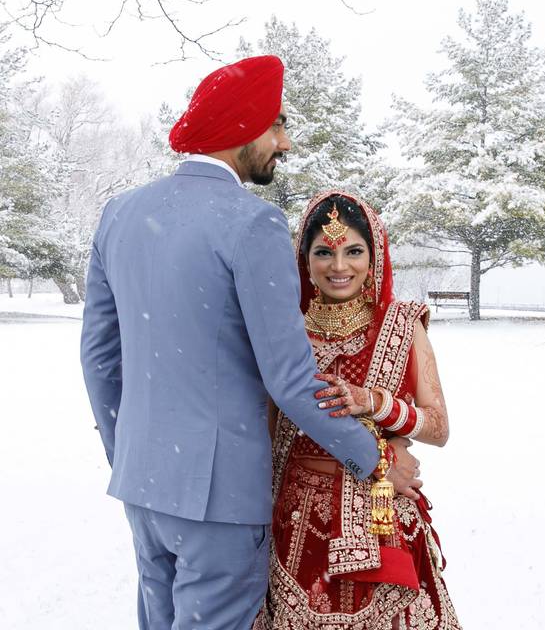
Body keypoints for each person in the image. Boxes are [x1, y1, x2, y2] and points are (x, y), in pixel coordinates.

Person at [79, 56, 418, 630]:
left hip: (143, 483)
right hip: (220, 497)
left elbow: (99, 359)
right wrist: (375, 457)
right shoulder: (252, 223)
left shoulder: (120, 215)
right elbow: (290, 379)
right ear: (243, 130)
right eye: (277, 126)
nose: (283, 143)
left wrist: (128, 450)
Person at [254, 191, 461, 629]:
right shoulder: (286, 332)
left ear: (374, 256)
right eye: (324, 252)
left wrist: (376, 404)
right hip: (296, 517)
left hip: (381, 512)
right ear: (305, 260)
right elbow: (270, 431)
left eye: (354, 251)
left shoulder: (402, 324)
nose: (339, 266)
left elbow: (439, 428)